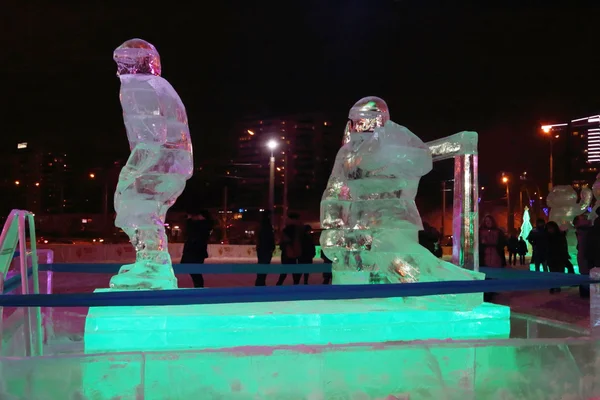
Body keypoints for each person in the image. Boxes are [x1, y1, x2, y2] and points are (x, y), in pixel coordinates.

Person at [180, 209, 213, 288]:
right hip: (195, 251)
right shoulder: (203, 225)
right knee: (194, 271)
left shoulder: (203, 225)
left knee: (195, 271)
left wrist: (189, 220)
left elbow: (191, 230)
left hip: (195, 252)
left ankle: (199, 287)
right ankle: (198, 286)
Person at [276, 213, 305, 285]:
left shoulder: (286, 230)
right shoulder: (299, 230)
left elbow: (282, 243)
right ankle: (295, 285)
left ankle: (279, 284)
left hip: (286, 254)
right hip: (296, 253)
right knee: (295, 272)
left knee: (284, 271)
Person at [545, 221, 570, 294]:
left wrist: (565, 255)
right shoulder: (547, 236)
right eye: (548, 228)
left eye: (551, 228)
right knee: (552, 272)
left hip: (559, 257)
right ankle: (553, 286)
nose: (550, 230)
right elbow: (546, 247)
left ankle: (557, 286)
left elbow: (564, 246)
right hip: (551, 257)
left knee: (559, 272)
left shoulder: (560, 236)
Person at [255, 211, 275, 286]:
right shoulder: (267, 227)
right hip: (266, 249)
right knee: (264, 266)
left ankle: (260, 282)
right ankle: (261, 282)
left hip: (262, 249)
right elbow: (269, 238)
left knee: (261, 266)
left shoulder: (260, 226)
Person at [574, 214, 592, 298]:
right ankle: (585, 292)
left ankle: (585, 292)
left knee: (584, 273)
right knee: (586, 273)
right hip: (586, 254)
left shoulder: (580, 230)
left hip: (583, 254)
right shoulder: (586, 229)